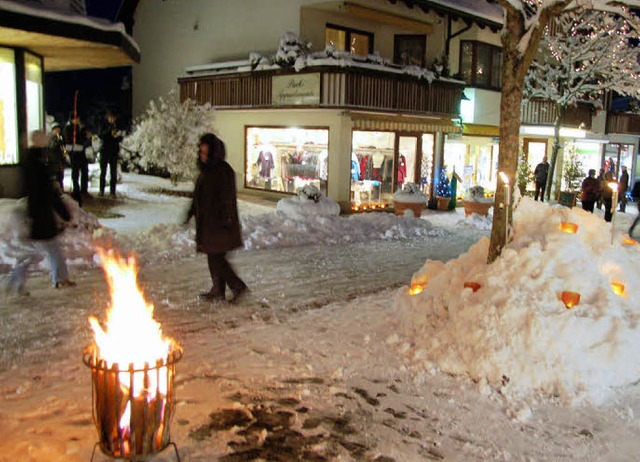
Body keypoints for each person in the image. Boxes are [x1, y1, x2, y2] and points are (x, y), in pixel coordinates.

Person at [3, 131, 76, 295]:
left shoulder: (33, 158)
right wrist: (64, 213)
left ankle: (56, 278)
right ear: (38, 141)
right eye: (43, 138)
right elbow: (47, 191)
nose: (46, 140)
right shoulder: (37, 162)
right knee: (40, 251)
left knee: (46, 249)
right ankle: (16, 280)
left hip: (38, 213)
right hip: (40, 214)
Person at [184, 133, 248, 302]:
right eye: (201, 152)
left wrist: (226, 218)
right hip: (208, 224)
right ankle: (218, 290)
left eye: (206, 152)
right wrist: (190, 212)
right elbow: (198, 197)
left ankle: (237, 287)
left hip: (220, 224)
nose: (202, 155)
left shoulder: (222, 171)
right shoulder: (206, 171)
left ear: (214, 152)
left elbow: (227, 198)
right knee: (214, 257)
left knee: (217, 258)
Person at [63, 113, 90, 204]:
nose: (77, 120)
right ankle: (76, 190)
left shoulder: (81, 127)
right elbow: (68, 140)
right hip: (74, 153)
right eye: (75, 119)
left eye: (77, 118)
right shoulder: (68, 128)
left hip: (81, 153)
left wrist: (84, 139)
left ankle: (84, 189)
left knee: (85, 171)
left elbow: (86, 139)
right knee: (75, 173)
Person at [98, 110, 124, 197]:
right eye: (111, 118)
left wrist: (118, 136)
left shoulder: (117, 126)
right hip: (105, 150)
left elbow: (120, 137)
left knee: (113, 173)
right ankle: (101, 190)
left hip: (113, 151)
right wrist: (109, 132)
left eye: (114, 118)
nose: (112, 119)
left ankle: (112, 191)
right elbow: (100, 135)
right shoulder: (104, 125)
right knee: (103, 172)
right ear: (108, 118)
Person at [47, 123, 67, 191]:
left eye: (59, 129)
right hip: (53, 160)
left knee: (60, 176)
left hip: (59, 161)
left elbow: (63, 149)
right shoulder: (50, 138)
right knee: (55, 177)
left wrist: (64, 155)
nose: (58, 131)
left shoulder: (60, 137)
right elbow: (51, 147)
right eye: (56, 129)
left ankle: (61, 189)